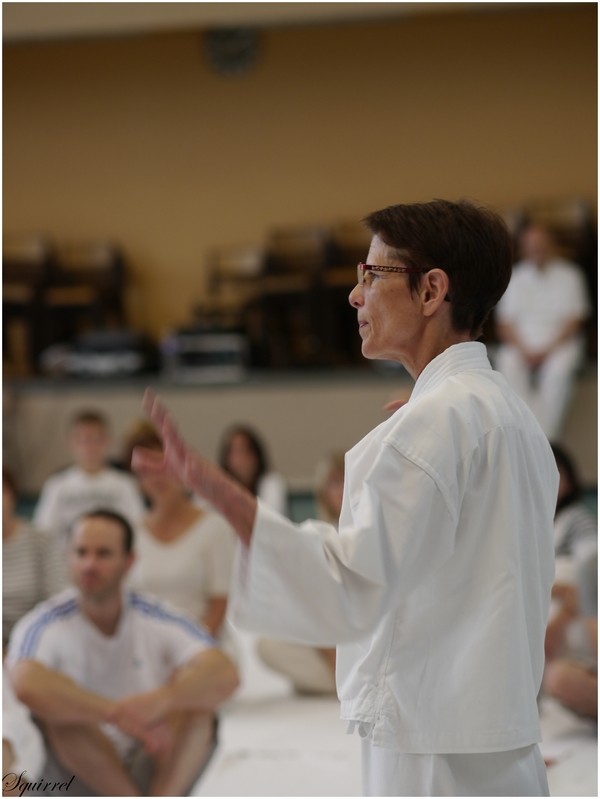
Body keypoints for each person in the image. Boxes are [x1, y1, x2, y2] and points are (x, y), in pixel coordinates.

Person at [134, 199, 558, 797]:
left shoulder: (437, 421)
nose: (356, 296)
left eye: (373, 275)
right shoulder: (507, 410)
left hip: (432, 749)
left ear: (432, 290)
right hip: (494, 739)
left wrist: (221, 494)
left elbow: (351, 587)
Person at [6, 509, 239, 796]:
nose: (89, 565)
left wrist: (163, 700)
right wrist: (115, 713)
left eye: (103, 554)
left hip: (151, 759)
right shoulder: (43, 623)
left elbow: (225, 672)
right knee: (58, 712)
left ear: (129, 561)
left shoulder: (155, 615)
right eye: (81, 553)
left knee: (198, 704)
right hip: (76, 772)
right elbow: (25, 683)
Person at [126, 424, 237, 639]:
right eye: (148, 471)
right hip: (144, 646)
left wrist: (186, 649)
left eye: (164, 468)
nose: (158, 478)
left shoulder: (215, 527)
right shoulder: (131, 531)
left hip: (203, 645)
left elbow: (221, 605)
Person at [257, 452, 345, 695]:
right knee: (268, 645)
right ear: (323, 492)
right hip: (328, 635)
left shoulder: (370, 533)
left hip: (364, 633)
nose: (341, 489)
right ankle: (337, 679)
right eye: (334, 483)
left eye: (346, 481)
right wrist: (329, 651)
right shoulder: (314, 536)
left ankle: (341, 681)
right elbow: (310, 604)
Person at [494, 223, 591, 438]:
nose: (536, 250)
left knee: (558, 372)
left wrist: (547, 351)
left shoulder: (570, 275)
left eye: (540, 244)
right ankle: (524, 430)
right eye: (531, 246)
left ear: (551, 245)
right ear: (523, 249)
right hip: (522, 343)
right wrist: (525, 351)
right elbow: (505, 323)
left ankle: (547, 437)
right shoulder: (515, 277)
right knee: (507, 362)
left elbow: (575, 319)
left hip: (559, 343)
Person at [33, 409, 146, 549]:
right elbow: (43, 532)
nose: (90, 446)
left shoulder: (125, 484)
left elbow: (138, 530)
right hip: (66, 559)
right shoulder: (56, 485)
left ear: (107, 441)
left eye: (96, 439)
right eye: (84, 440)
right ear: (72, 442)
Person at [3, 468, 65, 647]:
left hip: (35, 638)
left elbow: (59, 598)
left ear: (12, 496)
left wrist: (27, 641)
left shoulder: (41, 541)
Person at [218, 424, 288, 516]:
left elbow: (271, 517)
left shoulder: (271, 482)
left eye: (244, 451)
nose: (240, 459)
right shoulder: (220, 487)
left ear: (256, 456)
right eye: (234, 452)